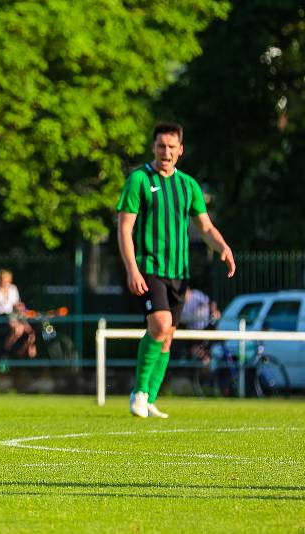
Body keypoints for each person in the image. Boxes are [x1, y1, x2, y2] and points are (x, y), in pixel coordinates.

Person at [116, 122, 235, 419]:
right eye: (160, 146)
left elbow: (205, 227)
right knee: (159, 323)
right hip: (150, 268)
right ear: (153, 148)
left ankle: (151, 398)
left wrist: (223, 248)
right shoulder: (139, 180)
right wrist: (132, 268)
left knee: (167, 336)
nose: (165, 152)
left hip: (178, 273)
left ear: (180, 150)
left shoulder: (189, 186)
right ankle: (139, 393)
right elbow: (125, 227)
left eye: (171, 147)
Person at [0, 270, 37, 358]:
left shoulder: (13, 288)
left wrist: (21, 307)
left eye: (7, 280)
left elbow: (16, 304)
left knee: (31, 333)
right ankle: (5, 352)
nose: (5, 281)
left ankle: (23, 353)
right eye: (3, 279)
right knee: (18, 329)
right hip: (0, 316)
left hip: (15, 315)